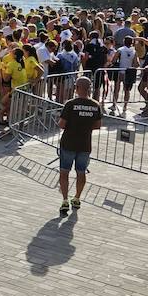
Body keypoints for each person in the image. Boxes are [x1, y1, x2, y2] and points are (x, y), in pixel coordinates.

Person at [57, 77, 103, 217]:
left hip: (69, 143)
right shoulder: (95, 105)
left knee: (64, 172)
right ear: (89, 88)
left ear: (76, 87)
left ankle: (65, 200)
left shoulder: (70, 104)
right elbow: (98, 125)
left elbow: (61, 124)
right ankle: (77, 198)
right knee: (81, 172)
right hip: (84, 144)